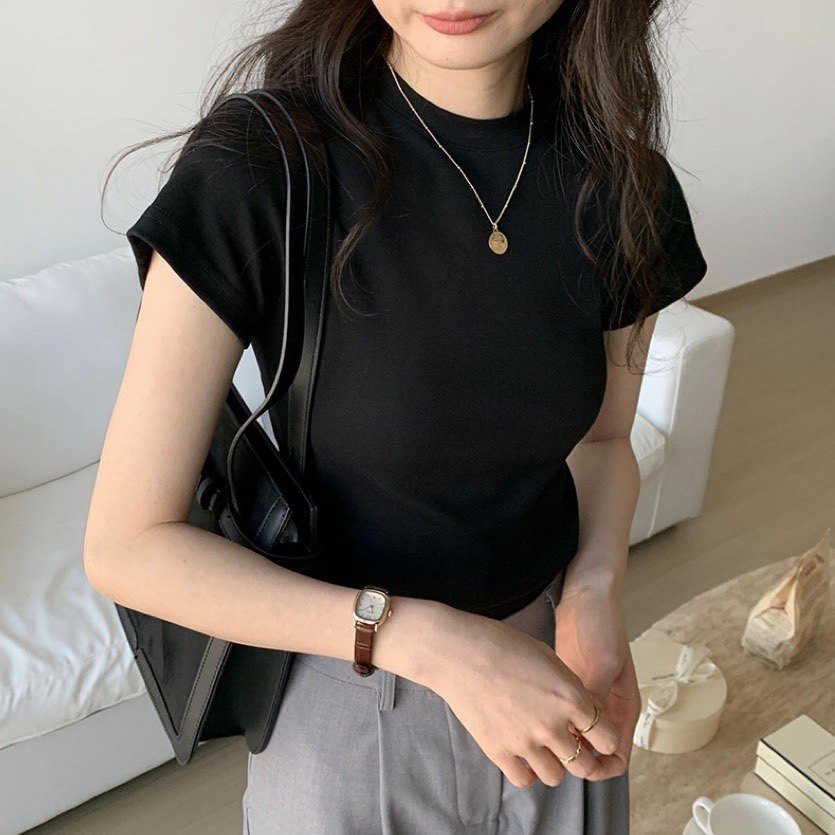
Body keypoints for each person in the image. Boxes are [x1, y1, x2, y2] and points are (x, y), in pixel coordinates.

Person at [86, 1, 708, 832]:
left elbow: (601, 439)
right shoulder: (260, 165)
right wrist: (429, 643)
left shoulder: (623, 187)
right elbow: (126, 545)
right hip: (347, 690)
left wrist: (594, 590)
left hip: (552, 679)